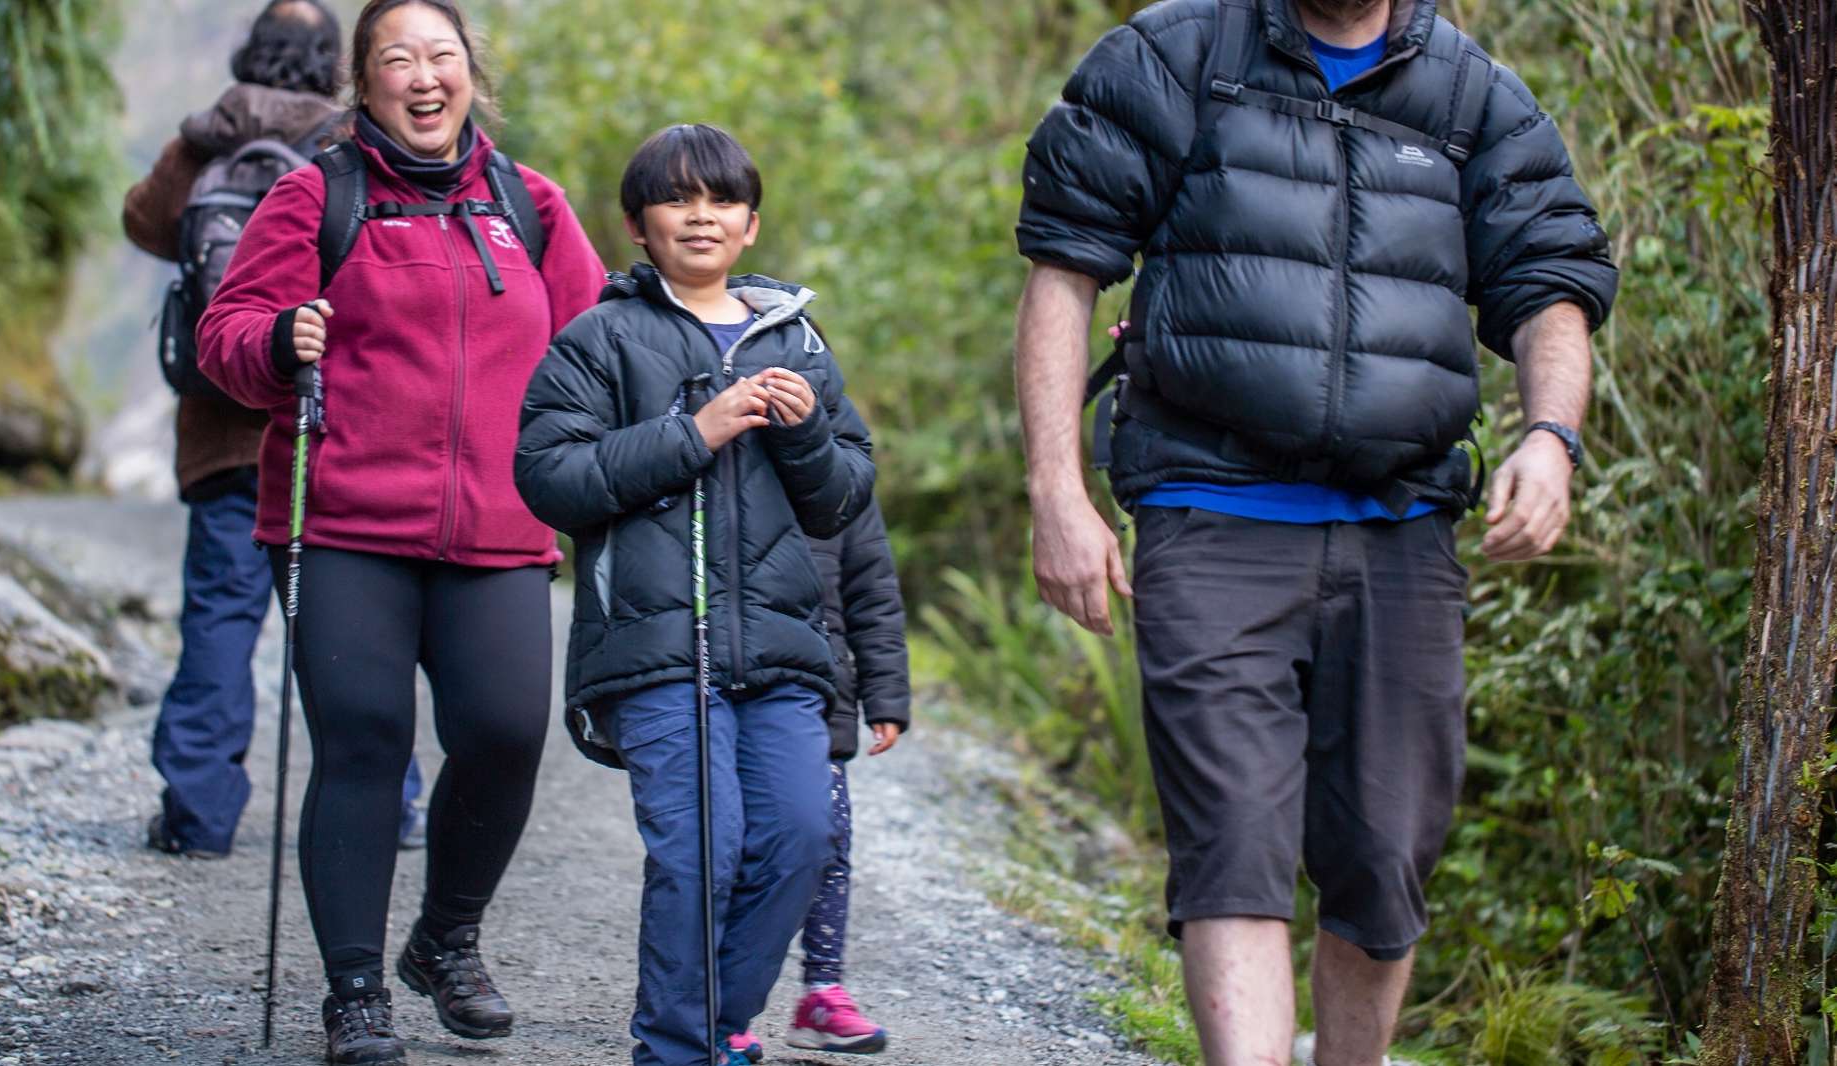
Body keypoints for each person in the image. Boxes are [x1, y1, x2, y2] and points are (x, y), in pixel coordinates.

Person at [1013, 0, 1618, 1062]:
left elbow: (1550, 280)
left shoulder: (1474, 93)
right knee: (1233, 841)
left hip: (1403, 528)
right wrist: (1056, 490)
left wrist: (1551, 436)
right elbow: (1064, 269)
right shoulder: (1173, 56)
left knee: (1385, 861)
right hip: (1209, 512)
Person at [194, 0, 607, 1061]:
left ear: (471, 73)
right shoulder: (313, 197)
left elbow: (597, 349)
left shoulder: (533, 206)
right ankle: (356, 992)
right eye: (396, 59)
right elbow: (225, 339)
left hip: (502, 529)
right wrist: (280, 339)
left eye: (441, 56)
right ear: (362, 83)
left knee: (508, 735)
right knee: (365, 739)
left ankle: (445, 937)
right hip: (341, 526)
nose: (423, 76)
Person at [515, 123, 877, 1066]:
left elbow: (843, 498)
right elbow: (549, 477)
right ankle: (676, 1047)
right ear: (638, 225)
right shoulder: (599, 337)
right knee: (701, 851)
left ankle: (716, 1023)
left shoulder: (796, 339)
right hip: (656, 650)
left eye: (721, 201)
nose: (701, 216)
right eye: (678, 200)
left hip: (783, 647)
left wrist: (799, 437)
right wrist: (696, 431)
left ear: (751, 224)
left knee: (798, 838)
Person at [123, 0, 423, 860]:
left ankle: (198, 814)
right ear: (339, 63)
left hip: (220, 434)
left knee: (219, 618)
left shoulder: (205, 139)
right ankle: (392, 802)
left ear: (250, 51)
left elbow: (145, 222)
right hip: (329, 433)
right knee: (350, 631)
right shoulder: (353, 147)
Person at [728, 496, 910, 1062]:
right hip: (726, 686)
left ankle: (821, 993)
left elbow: (873, 594)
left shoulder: (839, 478)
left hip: (819, 694)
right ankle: (715, 1001)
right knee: (726, 847)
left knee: (826, 841)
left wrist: (886, 695)